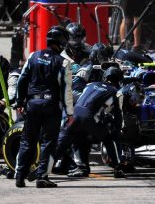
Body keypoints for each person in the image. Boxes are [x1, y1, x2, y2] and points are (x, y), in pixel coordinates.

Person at [14, 26, 74, 188]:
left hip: (32, 104)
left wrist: (20, 102)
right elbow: (66, 89)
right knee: (48, 142)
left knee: (28, 140)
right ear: (62, 43)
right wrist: (69, 113)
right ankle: (42, 177)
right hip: (51, 106)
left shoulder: (33, 56)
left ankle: (19, 176)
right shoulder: (64, 62)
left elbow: (22, 80)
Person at [54, 66, 125, 179]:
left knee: (66, 141)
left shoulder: (90, 85)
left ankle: (46, 165)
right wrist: (117, 129)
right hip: (90, 118)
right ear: (119, 80)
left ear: (105, 76)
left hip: (74, 114)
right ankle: (118, 168)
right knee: (108, 138)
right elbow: (118, 115)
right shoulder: (117, 93)